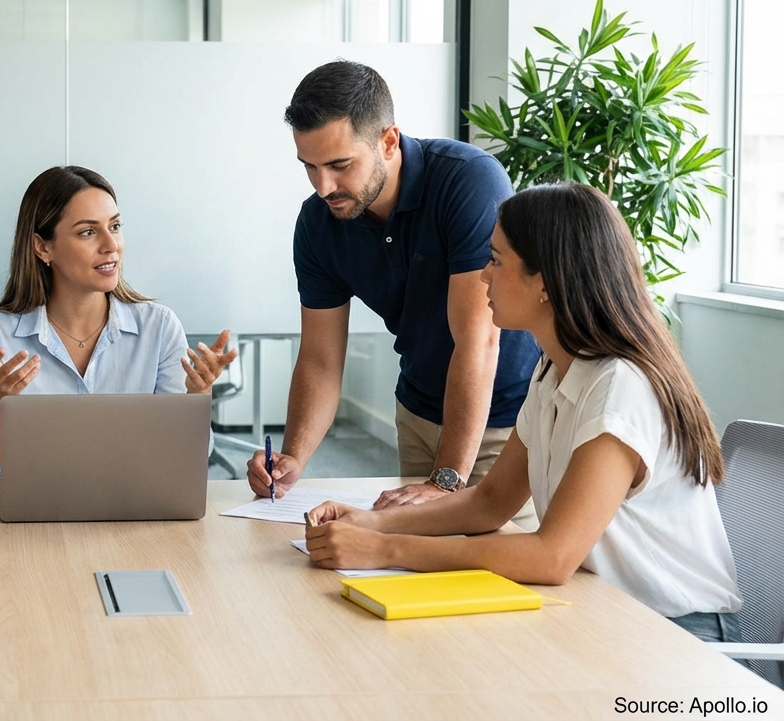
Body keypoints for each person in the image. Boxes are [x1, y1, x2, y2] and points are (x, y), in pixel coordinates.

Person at [304, 183, 742, 642]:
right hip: (602, 613)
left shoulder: (620, 388)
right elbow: (490, 502)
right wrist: (371, 521)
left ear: (546, 284)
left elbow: (551, 557)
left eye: (495, 261)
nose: (483, 278)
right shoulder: (554, 369)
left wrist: (384, 549)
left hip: (676, 636)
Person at [247, 60, 541, 515]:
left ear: (388, 141)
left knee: (489, 571)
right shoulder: (317, 224)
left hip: (503, 423)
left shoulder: (467, 181)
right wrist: (292, 458)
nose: (324, 186)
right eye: (309, 167)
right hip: (419, 411)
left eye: (340, 165)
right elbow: (321, 360)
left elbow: (478, 342)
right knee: (412, 568)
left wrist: (445, 480)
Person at [0, 166, 238, 487]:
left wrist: (198, 395)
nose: (111, 245)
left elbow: (186, 459)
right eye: (88, 232)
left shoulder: (158, 328)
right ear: (42, 247)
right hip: (35, 524)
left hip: (134, 513)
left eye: (115, 226)